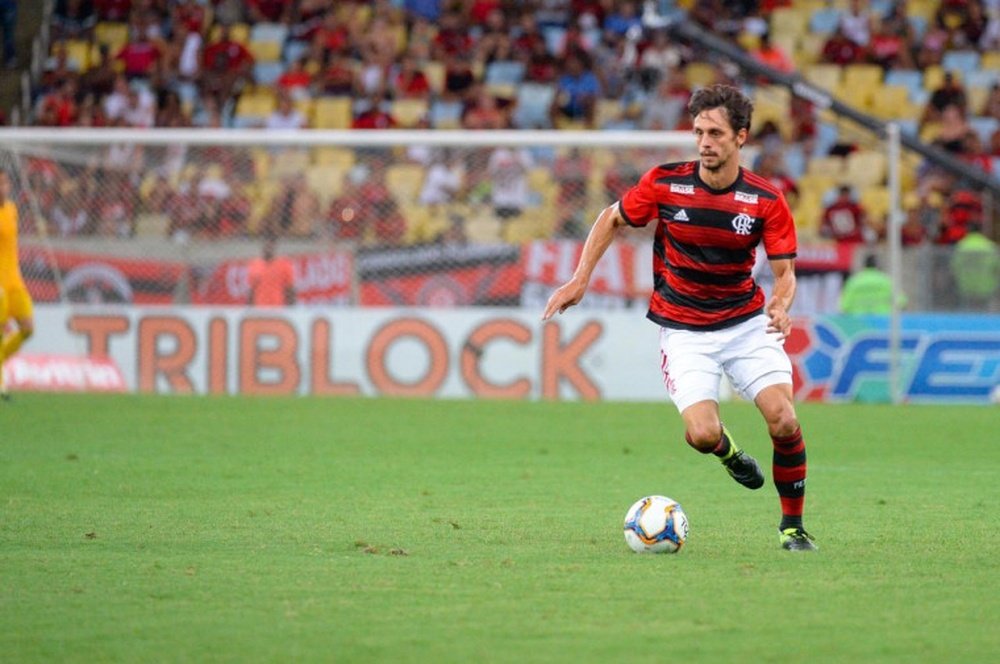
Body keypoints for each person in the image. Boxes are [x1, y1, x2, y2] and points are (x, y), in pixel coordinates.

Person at [543, 84, 816, 551]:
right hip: (685, 330)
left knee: (784, 419)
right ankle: (730, 454)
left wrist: (780, 304)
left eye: (715, 133)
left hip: (746, 324)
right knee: (703, 433)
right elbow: (611, 218)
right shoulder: (665, 183)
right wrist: (579, 279)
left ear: (741, 138)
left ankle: (792, 527)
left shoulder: (765, 199)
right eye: (698, 132)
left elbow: (785, 271)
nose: (705, 142)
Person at [0, 170, 34, 400]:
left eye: (5, 182)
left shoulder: (11, 209)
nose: (3, 186)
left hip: (15, 282)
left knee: (28, 328)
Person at [949, 222, 999, 310]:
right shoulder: (989, 246)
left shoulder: (961, 246)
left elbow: (954, 267)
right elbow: (997, 268)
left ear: (968, 231)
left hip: (966, 285)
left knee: (968, 315)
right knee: (984, 314)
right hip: (986, 285)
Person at [839, 254, 904, 314]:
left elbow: (844, 305)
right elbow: (901, 302)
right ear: (878, 266)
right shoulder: (886, 281)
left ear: (864, 266)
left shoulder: (854, 281)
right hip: (883, 321)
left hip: (858, 322)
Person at [247, 238, 295, 307]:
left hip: (278, 307)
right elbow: (252, 290)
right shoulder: (254, 265)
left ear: (274, 246)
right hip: (260, 308)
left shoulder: (284, 264)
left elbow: (290, 289)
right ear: (262, 246)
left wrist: (291, 308)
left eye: (270, 245)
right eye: (266, 245)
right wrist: (249, 309)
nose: (268, 248)